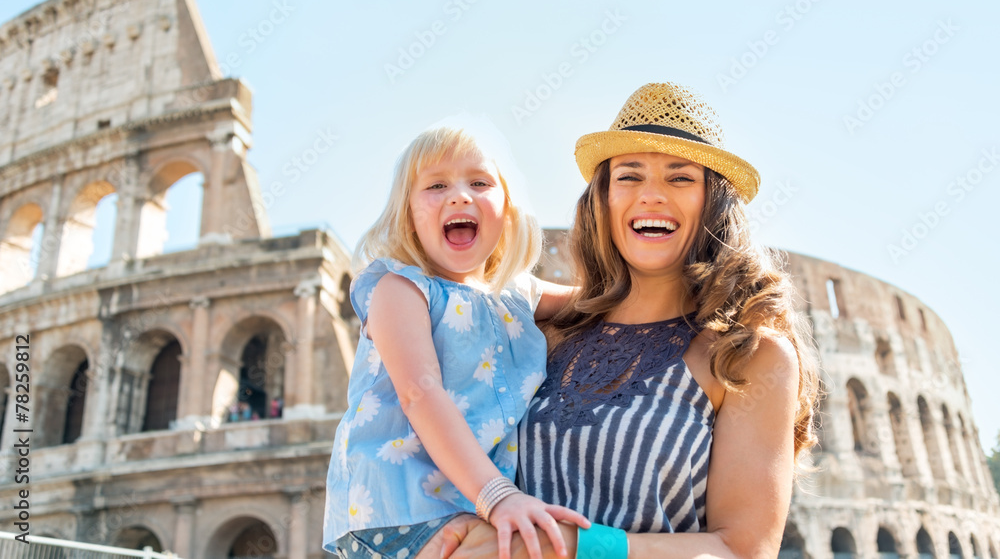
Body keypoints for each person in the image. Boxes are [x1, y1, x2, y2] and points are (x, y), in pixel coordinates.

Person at [432, 82, 820, 558]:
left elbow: (741, 550)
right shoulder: (552, 334)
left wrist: (576, 548)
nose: (651, 196)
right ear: (604, 200)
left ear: (712, 203)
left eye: (679, 178)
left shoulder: (746, 354)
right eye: (629, 177)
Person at [323, 125, 590, 559]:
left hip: (466, 500)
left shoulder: (516, 294)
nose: (460, 195)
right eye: (437, 185)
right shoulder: (401, 288)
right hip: (398, 502)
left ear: (507, 210)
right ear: (408, 214)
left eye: (479, 183)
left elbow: (597, 304)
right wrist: (498, 495)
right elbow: (419, 395)